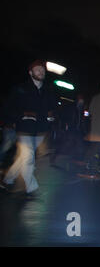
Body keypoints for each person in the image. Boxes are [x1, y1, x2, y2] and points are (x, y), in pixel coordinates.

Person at [1, 60, 57, 197]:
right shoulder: (21, 89)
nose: (41, 72)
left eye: (42, 70)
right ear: (31, 73)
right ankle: (32, 188)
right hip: (24, 129)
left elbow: (52, 108)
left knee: (23, 158)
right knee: (28, 158)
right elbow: (8, 108)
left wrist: (52, 115)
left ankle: (7, 179)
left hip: (40, 130)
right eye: (37, 70)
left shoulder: (47, 91)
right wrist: (23, 114)